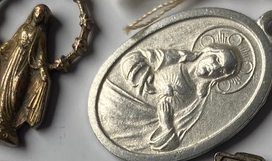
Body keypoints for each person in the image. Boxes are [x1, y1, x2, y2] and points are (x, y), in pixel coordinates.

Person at [102, 45, 240, 152]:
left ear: (220, 77)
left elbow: (171, 145)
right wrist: (146, 78)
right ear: (208, 52)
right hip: (116, 97)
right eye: (217, 59)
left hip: (134, 128)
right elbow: (131, 59)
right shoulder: (174, 58)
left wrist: (166, 124)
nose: (215, 67)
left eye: (221, 71)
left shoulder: (196, 101)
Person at [0, 4, 52, 146]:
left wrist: (42, 69)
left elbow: (41, 54)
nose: (38, 15)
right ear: (33, 13)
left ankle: (7, 121)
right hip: (12, 60)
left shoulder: (40, 33)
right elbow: (11, 42)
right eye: (36, 12)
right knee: (4, 87)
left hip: (24, 65)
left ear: (44, 18)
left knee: (14, 90)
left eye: (41, 14)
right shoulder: (24, 28)